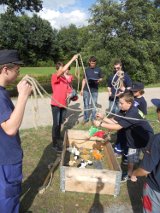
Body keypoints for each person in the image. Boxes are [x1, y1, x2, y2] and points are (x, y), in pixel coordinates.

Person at [94, 91, 154, 182]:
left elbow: (118, 127)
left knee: (148, 158)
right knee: (131, 156)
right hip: (134, 138)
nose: (119, 105)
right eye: (119, 102)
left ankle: (150, 174)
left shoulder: (132, 112)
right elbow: (115, 121)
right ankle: (130, 173)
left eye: (121, 103)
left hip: (146, 138)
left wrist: (101, 124)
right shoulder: (124, 110)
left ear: (129, 103)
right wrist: (103, 117)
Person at [0, 49, 32, 213]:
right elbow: (11, 128)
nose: (18, 74)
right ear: (6, 69)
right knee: (8, 196)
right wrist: (23, 96)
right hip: (6, 158)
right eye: (16, 70)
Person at [131, 98, 160, 213]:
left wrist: (134, 173)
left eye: (158, 109)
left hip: (156, 189)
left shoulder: (157, 140)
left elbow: (145, 170)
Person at [51, 54, 78, 152]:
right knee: (56, 124)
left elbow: (67, 89)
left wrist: (71, 94)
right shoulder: (55, 77)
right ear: (58, 69)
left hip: (64, 104)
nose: (65, 70)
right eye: (62, 69)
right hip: (56, 104)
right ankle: (54, 144)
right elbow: (62, 71)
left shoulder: (64, 79)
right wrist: (72, 59)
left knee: (61, 122)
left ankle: (58, 137)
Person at [80, 56, 103, 124]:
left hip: (95, 90)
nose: (93, 64)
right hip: (86, 89)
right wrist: (81, 89)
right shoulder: (86, 70)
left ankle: (93, 118)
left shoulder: (98, 69)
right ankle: (86, 118)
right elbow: (84, 80)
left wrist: (99, 80)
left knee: (94, 105)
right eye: (92, 63)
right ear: (89, 62)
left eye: (94, 63)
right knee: (86, 104)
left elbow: (101, 78)